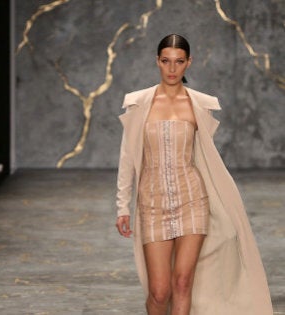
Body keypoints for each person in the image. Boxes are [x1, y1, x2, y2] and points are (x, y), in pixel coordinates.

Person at [114, 34, 272, 315]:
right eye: (166, 61)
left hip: (192, 200)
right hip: (152, 203)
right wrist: (122, 206)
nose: (172, 69)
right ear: (157, 62)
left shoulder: (199, 105)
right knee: (159, 292)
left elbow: (206, 158)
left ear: (189, 63)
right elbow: (128, 158)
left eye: (178, 62)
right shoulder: (138, 104)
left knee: (183, 283)